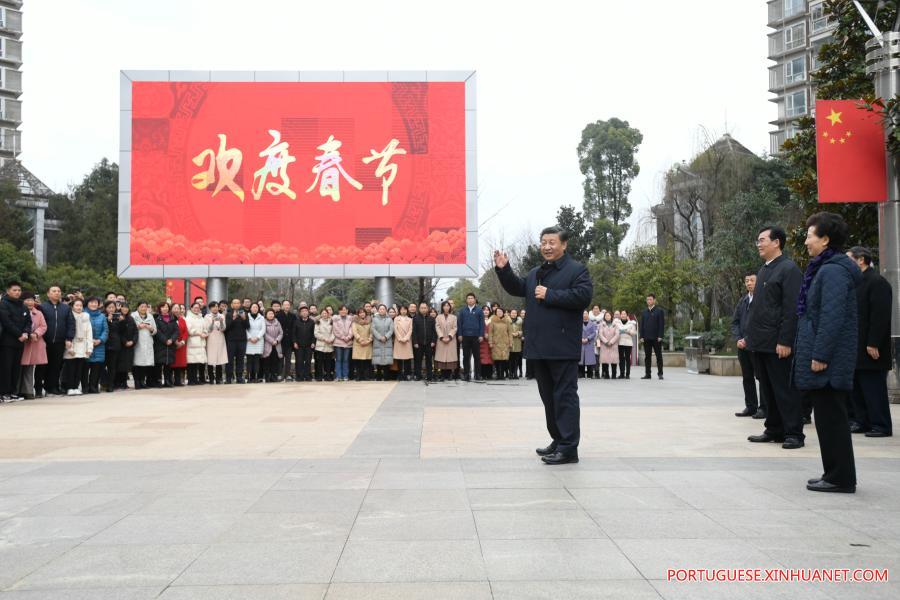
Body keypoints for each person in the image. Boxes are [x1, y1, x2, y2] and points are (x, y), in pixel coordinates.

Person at [494, 225, 593, 465]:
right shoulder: (536, 272)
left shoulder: (576, 270)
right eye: (544, 243)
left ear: (564, 244)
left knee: (565, 397)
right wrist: (504, 269)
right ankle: (558, 439)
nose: (547, 247)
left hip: (562, 347)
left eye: (552, 242)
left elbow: (583, 296)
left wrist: (550, 294)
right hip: (539, 347)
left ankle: (569, 448)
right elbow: (518, 287)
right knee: (548, 397)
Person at [794, 212, 860, 493]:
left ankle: (840, 478)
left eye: (810, 235)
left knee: (832, 419)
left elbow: (831, 318)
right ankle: (833, 472)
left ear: (825, 239)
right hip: (828, 359)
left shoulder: (832, 271)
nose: (807, 241)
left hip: (829, 361)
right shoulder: (826, 267)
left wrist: (820, 355)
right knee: (826, 418)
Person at [746, 225, 805, 450]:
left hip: (778, 343)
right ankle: (774, 428)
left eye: (762, 240)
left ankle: (794, 432)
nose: (758, 244)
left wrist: (785, 340)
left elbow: (792, 309)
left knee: (785, 389)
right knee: (768, 389)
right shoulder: (763, 270)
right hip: (760, 343)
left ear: (776, 242)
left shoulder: (789, 269)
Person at [847, 246, 893, 437]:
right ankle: (862, 421)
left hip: (871, 347)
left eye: (849, 259)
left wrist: (873, 342)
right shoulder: (856, 282)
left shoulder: (877, 282)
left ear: (861, 260)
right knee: (857, 388)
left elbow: (880, 316)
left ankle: (880, 424)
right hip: (855, 347)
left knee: (873, 388)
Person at [731, 274, 762, 418]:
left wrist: (748, 339)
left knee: (761, 377)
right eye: (747, 281)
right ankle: (751, 406)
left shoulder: (762, 300)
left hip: (757, 346)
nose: (749, 283)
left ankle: (764, 408)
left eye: (752, 280)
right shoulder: (742, 301)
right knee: (747, 377)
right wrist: (738, 339)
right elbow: (735, 322)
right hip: (742, 347)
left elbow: (761, 323)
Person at [37, 285, 73, 396]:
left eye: (58, 291)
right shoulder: (42, 307)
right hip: (44, 341)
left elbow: (71, 324)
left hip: (59, 341)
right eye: (54, 291)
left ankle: (53, 387)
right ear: (48, 293)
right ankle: (38, 389)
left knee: (56, 366)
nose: (57, 293)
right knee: (42, 366)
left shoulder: (66, 308)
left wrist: (69, 338)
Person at [0, 281, 31, 401]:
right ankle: (4, 393)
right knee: (6, 368)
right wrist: (19, 334)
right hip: (7, 341)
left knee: (16, 368)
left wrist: (26, 333)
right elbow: (6, 322)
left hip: (20, 341)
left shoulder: (23, 305)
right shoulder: (3, 304)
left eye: (19, 290)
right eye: (14, 290)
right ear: (8, 291)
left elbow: (28, 321)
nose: (17, 292)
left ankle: (13, 391)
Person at [18, 292, 47, 400]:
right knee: (19, 368)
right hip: (21, 342)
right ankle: (16, 391)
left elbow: (43, 326)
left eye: (32, 300)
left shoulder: (38, 313)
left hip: (34, 343)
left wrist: (36, 333)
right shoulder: (19, 311)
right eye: (27, 300)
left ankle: (28, 391)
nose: (30, 302)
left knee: (30, 368)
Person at [62, 298, 92, 395]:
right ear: (72, 306)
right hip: (71, 344)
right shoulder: (68, 316)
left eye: (81, 305)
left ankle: (76, 386)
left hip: (82, 345)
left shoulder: (86, 317)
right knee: (70, 368)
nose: (79, 307)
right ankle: (70, 387)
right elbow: (67, 333)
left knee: (79, 369)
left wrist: (89, 348)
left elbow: (89, 333)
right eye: (77, 305)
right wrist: (69, 348)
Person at [457, 293, 484, 381]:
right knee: (466, 356)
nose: (470, 300)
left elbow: (482, 324)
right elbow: (459, 323)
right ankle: (466, 374)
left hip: (476, 337)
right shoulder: (462, 310)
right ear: (466, 300)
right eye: (468, 298)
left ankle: (478, 374)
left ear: (475, 299)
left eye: (472, 298)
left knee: (477, 357)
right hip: (465, 336)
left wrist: (481, 335)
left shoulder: (479, 310)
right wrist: (460, 334)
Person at [84, 297, 108, 394]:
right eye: (91, 302)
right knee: (85, 368)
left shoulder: (102, 316)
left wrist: (100, 340)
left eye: (95, 303)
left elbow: (105, 330)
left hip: (99, 345)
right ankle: (85, 387)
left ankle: (93, 386)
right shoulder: (83, 314)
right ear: (87, 303)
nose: (94, 304)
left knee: (96, 367)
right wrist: (89, 340)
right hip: (85, 345)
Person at [132, 302, 156, 389]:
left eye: (145, 307)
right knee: (137, 363)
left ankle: (142, 381)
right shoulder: (133, 316)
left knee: (145, 363)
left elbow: (155, 330)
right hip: (138, 341)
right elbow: (130, 328)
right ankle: (137, 382)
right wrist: (138, 326)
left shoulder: (150, 316)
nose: (144, 308)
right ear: (138, 307)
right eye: (142, 307)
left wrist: (151, 328)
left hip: (148, 341)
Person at [640, 294, 665, 380]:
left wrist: (660, 335)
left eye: (650, 299)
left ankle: (660, 373)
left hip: (656, 338)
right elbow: (642, 325)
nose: (649, 301)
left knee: (659, 356)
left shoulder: (659, 311)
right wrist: (641, 336)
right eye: (647, 300)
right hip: (646, 338)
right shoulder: (644, 312)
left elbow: (661, 324)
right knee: (647, 357)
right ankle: (647, 374)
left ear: (654, 300)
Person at [103, 300, 125, 393]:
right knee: (101, 366)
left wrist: (122, 322)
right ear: (105, 308)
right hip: (104, 344)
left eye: (113, 307)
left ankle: (110, 385)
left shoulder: (118, 318)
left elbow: (122, 331)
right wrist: (108, 320)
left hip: (115, 344)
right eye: (109, 307)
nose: (111, 309)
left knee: (112, 366)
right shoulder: (103, 317)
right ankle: (103, 383)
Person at [225, 298, 248, 384]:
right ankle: (228, 377)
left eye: (238, 303)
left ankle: (239, 377)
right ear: (231, 305)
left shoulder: (244, 314)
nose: (236, 305)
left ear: (240, 304)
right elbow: (226, 327)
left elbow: (247, 326)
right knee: (229, 360)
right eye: (234, 303)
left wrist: (244, 319)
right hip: (231, 340)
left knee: (240, 360)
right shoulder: (228, 314)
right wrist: (233, 318)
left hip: (242, 340)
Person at [185, 302, 209, 385]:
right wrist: (199, 334)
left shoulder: (201, 318)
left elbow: (205, 328)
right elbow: (189, 330)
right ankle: (191, 380)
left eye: (198, 308)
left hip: (201, 342)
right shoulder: (188, 318)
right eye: (195, 308)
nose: (196, 309)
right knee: (191, 362)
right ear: (191, 308)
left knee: (197, 362)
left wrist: (205, 333)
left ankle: (195, 379)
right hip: (192, 342)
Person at [413, 302, 437, 381]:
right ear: (419, 309)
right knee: (418, 361)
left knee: (429, 360)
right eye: (422, 308)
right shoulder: (415, 319)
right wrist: (415, 342)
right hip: (418, 344)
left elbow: (434, 331)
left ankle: (429, 376)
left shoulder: (431, 319)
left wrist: (433, 341)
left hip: (429, 343)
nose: (423, 309)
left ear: (427, 309)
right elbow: (414, 332)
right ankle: (418, 376)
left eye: (425, 308)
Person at [204, 302, 227, 384]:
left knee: (219, 359)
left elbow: (223, 328)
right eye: (213, 307)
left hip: (220, 338)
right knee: (211, 359)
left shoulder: (222, 316)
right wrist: (213, 322)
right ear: (210, 308)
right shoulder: (207, 317)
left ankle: (218, 378)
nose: (215, 308)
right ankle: (211, 378)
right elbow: (208, 329)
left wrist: (221, 322)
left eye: (216, 306)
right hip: (211, 338)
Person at [435, 301, 458, 381]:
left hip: (450, 340)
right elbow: (437, 327)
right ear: (442, 307)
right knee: (441, 357)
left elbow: (455, 328)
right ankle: (442, 374)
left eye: (448, 306)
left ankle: (449, 374)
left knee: (450, 358)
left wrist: (449, 336)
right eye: (444, 306)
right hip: (441, 340)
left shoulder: (454, 317)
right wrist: (441, 337)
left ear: (450, 307)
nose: (446, 307)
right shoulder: (438, 317)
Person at [371, 304, 395, 381]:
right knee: (378, 359)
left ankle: (386, 376)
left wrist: (386, 337)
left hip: (387, 341)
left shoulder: (389, 319)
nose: (382, 310)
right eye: (380, 309)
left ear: (385, 310)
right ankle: (378, 376)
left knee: (386, 359)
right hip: (378, 341)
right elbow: (373, 329)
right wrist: (379, 337)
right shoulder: (374, 319)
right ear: (378, 310)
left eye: (383, 309)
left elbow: (391, 330)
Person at [292, 306, 316, 382]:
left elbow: (314, 334)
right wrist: (294, 342)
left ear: (308, 312)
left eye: (306, 311)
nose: (304, 312)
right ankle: (299, 376)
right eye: (303, 311)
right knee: (299, 361)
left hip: (309, 345)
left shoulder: (312, 322)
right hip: (299, 345)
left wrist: (313, 342)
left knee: (308, 361)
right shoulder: (296, 322)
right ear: (300, 313)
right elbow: (293, 333)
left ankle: (307, 376)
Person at [117, 303, 137, 390]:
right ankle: (119, 383)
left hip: (130, 345)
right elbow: (119, 332)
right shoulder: (118, 317)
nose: (125, 309)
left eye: (126, 308)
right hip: (121, 345)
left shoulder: (131, 318)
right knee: (120, 365)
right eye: (123, 308)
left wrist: (133, 341)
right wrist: (125, 341)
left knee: (127, 365)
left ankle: (125, 383)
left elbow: (136, 331)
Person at [332, 305, 354, 382]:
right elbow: (335, 330)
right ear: (339, 311)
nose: (343, 311)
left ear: (347, 311)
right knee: (338, 359)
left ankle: (345, 376)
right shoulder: (335, 319)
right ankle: (338, 376)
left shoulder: (350, 319)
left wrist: (348, 337)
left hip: (348, 343)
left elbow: (352, 329)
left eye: (345, 310)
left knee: (346, 360)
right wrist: (343, 337)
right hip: (338, 342)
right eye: (341, 310)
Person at [489, 307, 512, 380]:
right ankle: (498, 375)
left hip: (505, 343)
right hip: (496, 343)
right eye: (498, 311)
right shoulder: (493, 321)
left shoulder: (507, 321)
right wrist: (490, 342)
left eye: (501, 311)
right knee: (497, 360)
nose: (499, 313)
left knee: (504, 360)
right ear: (495, 313)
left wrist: (510, 342)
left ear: (503, 312)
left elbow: (510, 332)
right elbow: (490, 333)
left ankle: (502, 375)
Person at [277, 300, 297, 381]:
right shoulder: (278, 315)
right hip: (280, 341)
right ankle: (280, 374)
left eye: (288, 305)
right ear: (282, 306)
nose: (287, 306)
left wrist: (294, 340)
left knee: (288, 359)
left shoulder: (293, 316)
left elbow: (294, 329)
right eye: (285, 305)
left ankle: (288, 374)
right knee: (280, 359)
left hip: (289, 341)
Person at [351, 307, 373, 381]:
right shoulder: (355, 322)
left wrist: (369, 340)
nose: (362, 314)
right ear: (358, 314)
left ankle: (367, 376)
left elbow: (372, 332)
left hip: (367, 343)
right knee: (358, 361)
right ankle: (358, 376)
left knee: (367, 361)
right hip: (358, 344)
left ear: (365, 313)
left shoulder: (370, 322)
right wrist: (360, 340)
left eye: (363, 312)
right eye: (360, 313)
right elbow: (354, 332)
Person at [262, 308, 284, 383]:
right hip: (268, 345)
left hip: (277, 345)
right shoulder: (263, 322)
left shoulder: (277, 322)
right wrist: (272, 341)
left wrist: (277, 340)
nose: (271, 315)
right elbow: (264, 333)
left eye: (272, 314)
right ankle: (267, 377)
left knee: (275, 362)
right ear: (266, 315)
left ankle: (274, 377)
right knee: (267, 362)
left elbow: (281, 333)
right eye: (269, 314)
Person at [598, 310, 621, 379]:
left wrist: (611, 342)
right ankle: (606, 374)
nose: (607, 317)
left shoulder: (615, 324)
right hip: (605, 345)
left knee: (614, 360)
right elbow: (600, 334)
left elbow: (617, 334)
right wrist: (606, 341)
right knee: (605, 360)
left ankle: (614, 374)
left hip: (613, 344)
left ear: (611, 316)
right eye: (606, 316)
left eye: (609, 315)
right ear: (604, 317)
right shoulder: (602, 324)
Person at [245, 303, 265, 383]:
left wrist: (257, 337)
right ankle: (249, 377)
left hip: (258, 341)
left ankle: (256, 377)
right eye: (253, 307)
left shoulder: (262, 317)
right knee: (249, 360)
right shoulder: (246, 317)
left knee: (257, 360)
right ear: (250, 308)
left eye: (256, 307)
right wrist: (249, 337)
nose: (255, 308)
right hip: (249, 341)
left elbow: (263, 329)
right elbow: (245, 328)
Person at [393, 305, 414, 380]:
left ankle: (406, 374)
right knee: (399, 359)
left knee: (407, 359)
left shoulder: (410, 319)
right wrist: (400, 338)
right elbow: (395, 329)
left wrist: (406, 338)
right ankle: (400, 374)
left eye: (405, 310)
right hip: (399, 341)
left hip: (407, 341)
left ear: (407, 310)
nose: (403, 311)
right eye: (402, 310)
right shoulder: (396, 319)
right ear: (399, 311)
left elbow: (410, 329)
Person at [314, 308, 335, 381]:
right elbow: (316, 333)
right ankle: (319, 376)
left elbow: (334, 332)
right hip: (320, 344)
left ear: (328, 314)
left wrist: (331, 339)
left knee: (328, 362)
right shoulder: (318, 322)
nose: (324, 315)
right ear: (321, 314)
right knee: (320, 362)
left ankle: (328, 376)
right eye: (323, 313)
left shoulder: (331, 322)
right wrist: (324, 339)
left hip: (329, 344)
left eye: (325, 313)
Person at [617, 310, 636, 379]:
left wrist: (627, 331)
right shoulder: (617, 323)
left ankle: (627, 374)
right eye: (622, 314)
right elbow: (615, 331)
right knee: (621, 358)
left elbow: (634, 333)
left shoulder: (631, 323)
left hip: (628, 343)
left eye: (624, 314)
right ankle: (622, 373)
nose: (623, 315)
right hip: (620, 342)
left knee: (628, 359)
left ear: (627, 315)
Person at [579, 310, 598, 379]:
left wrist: (588, 338)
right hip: (581, 342)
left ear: (588, 315)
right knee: (581, 359)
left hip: (589, 343)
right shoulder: (578, 322)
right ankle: (581, 374)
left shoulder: (592, 324)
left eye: (586, 313)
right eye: (583, 313)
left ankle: (590, 373)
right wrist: (581, 339)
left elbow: (594, 333)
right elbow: (577, 331)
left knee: (589, 359)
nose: (585, 315)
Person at [479, 305, 494, 380]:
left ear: (490, 311)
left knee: (490, 358)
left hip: (490, 342)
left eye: (487, 310)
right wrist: (482, 334)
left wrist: (490, 336)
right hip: (481, 342)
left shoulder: (492, 320)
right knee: (482, 358)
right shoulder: (479, 320)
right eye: (484, 310)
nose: (485, 311)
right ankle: (482, 374)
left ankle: (489, 374)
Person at [509, 308, 524, 379]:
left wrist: (518, 333)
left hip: (517, 342)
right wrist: (511, 334)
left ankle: (515, 373)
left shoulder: (520, 322)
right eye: (512, 313)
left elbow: (522, 331)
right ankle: (510, 373)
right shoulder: (507, 321)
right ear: (510, 314)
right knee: (510, 359)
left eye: (515, 313)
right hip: (509, 342)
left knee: (516, 359)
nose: (513, 314)